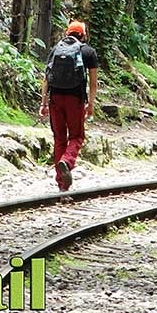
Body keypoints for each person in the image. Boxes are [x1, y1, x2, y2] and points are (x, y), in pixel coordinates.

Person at [39, 20, 98, 191]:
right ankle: (68, 161)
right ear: (83, 35)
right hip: (75, 100)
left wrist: (43, 103)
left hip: (55, 98)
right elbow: (93, 84)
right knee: (76, 137)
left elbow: (46, 78)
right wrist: (91, 104)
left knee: (59, 140)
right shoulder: (88, 52)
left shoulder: (56, 50)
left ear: (67, 34)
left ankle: (62, 186)